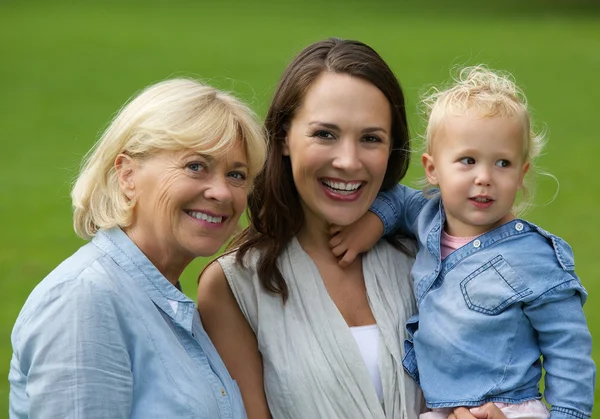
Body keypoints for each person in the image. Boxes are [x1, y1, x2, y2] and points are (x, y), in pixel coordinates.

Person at [198, 39, 509, 419]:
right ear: (282, 138)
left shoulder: (430, 254)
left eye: (371, 138)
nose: (348, 161)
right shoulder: (233, 286)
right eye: (325, 134)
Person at [330, 66, 595, 419]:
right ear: (433, 169)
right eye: (467, 160)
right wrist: (374, 223)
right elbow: (399, 199)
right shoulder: (428, 216)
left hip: (509, 407)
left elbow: (570, 350)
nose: (484, 178)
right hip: (440, 408)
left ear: (521, 174)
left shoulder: (534, 257)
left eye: (503, 163)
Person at [9, 78, 267, 418]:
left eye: (236, 175)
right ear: (127, 175)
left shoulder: (165, 301)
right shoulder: (85, 300)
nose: (221, 192)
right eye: (195, 166)